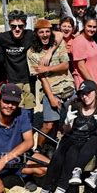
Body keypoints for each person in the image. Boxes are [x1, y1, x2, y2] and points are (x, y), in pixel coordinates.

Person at [33, 80, 97, 193]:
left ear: (95, 92)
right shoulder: (74, 106)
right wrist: (67, 123)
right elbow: (65, 131)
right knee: (57, 157)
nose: (85, 96)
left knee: (72, 153)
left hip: (86, 142)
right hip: (71, 137)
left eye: (88, 92)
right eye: (82, 94)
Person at [27, 19, 75, 153]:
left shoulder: (58, 45)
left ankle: (65, 147)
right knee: (48, 125)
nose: (45, 34)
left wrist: (47, 69)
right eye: (41, 32)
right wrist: (51, 98)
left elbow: (65, 66)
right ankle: (39, 149)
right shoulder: (32, 53)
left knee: (71, 122)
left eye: (47, 31)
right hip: (50, 90)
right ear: (36, 33)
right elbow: (41, 77)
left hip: (67, 86)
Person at [71, 7, 97, 89]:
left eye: (94, 27)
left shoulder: (92, 40)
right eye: (89, 26)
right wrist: (94, 84)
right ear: (84, 25)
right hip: (86, 85)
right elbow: (81, 67)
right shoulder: (79, 41)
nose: (92, 29)